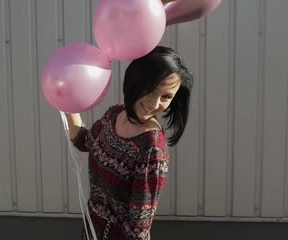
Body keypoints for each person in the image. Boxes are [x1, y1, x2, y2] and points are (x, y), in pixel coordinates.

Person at [65, 46, 193, 239]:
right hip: (92, 230)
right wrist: (67, 100)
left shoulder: (152, 148)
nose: (155, 103)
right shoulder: (114, 114)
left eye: (166, 97)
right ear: (135, 80)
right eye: (151, 90)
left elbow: (138, 226)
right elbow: (83, 141)